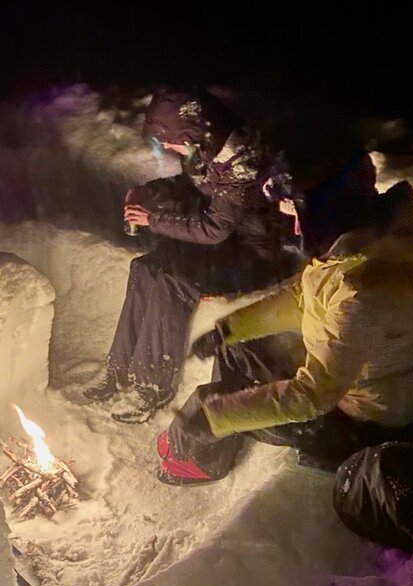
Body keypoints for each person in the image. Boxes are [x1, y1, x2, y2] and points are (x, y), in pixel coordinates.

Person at [156, 152, 413, 484]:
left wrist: (217, 417)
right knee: (236, 350)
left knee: (208, 403)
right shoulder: (357, 245)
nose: (292, 225)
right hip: (350, 381)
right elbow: (303, 297)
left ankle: (198, 458)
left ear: (326, 217)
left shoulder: (367, 292)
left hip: (361, 421)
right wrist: (229, 329)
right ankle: (219, 431)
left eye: (297, 216)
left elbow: (312, 396)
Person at [83, 88, 296, 424]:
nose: (166, 148)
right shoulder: (204, 148)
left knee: (174, 282)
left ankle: (150, 385)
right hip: (227, 244)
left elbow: (214, 229)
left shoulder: (243, 162)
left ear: (192, 131)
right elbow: (191, 185)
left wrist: (152, 220)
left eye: (169, 141)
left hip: (255, 256)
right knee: (145, 267)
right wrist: (151, 190)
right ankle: (119, 367)